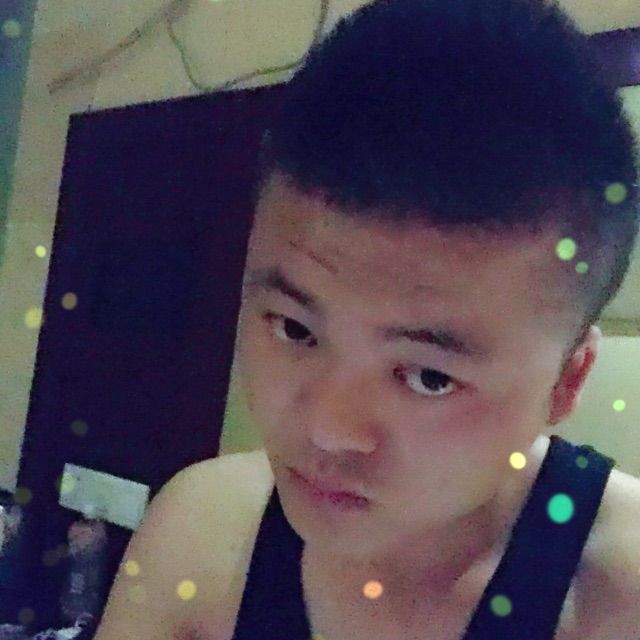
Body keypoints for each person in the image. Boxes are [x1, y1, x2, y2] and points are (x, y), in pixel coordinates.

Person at [95, 1, 640, 638]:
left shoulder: (622, 594)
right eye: (295, 329)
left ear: (567, 382)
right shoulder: (202, 534)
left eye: (430, 377)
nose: (327, 430)